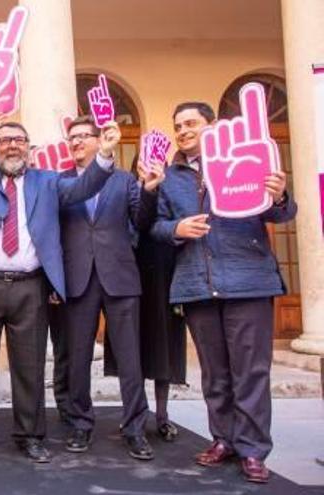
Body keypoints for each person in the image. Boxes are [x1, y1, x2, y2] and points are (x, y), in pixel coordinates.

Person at [0, 82, 114, 463]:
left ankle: (30, 435)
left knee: (30, 365)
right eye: (4, 140)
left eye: (19, 140)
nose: (11, 145)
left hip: (30, 287)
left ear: (29, 148)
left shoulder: (48, 181)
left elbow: (84, 187)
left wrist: (106, 156)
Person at [151, 101, 296, 483]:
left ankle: (253, 449)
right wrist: (175, 230)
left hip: (248, 280)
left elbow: (279, 213)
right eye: (177, 125)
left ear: (211, 126)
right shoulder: (170, 176)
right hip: (197, 284)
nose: (183, 130)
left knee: (250, 372)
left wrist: (279, 195)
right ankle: (223, 439)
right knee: (215, 374)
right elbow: (156, 227)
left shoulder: (244, 158)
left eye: (191, 123)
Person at [58, 115, 164, 460]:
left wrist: (148, 191)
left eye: (82, 136)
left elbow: (143, 222)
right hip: (78, 279)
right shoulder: (59, 183)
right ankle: (80, 424)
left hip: (119, 277)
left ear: (98, 139)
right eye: (71, 137)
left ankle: (135, 428)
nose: (75, 142)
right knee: (78, 357)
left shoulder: (123, 181)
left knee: (130, 357)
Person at [104, 155, 188, 443]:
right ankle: (134, 413)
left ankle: (163, 416)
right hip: (128, 272)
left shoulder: (168, 190)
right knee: (132, 349)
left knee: (163, 347)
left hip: (163, 275)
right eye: (141, 162)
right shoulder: (125, 188)